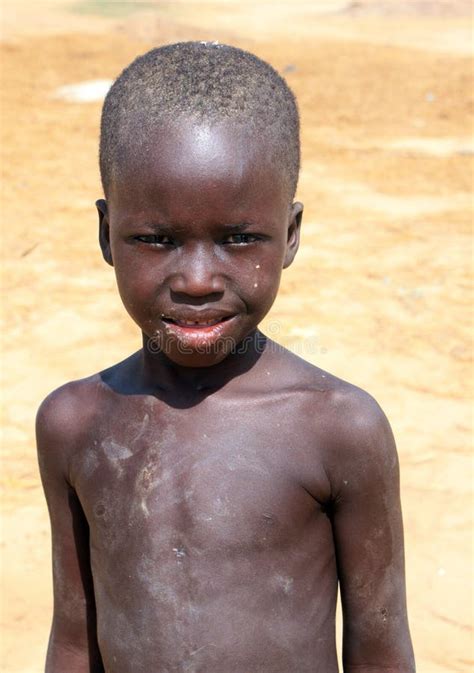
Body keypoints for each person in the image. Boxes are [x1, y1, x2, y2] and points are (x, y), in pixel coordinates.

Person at [36, 42, 415, 673]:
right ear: (107, 235)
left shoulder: (339, 427)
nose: (197, 280)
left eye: (239, 239)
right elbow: (74, 638)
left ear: (290, 235)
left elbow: (380, 648)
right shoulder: (74, 425)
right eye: (156, 240)